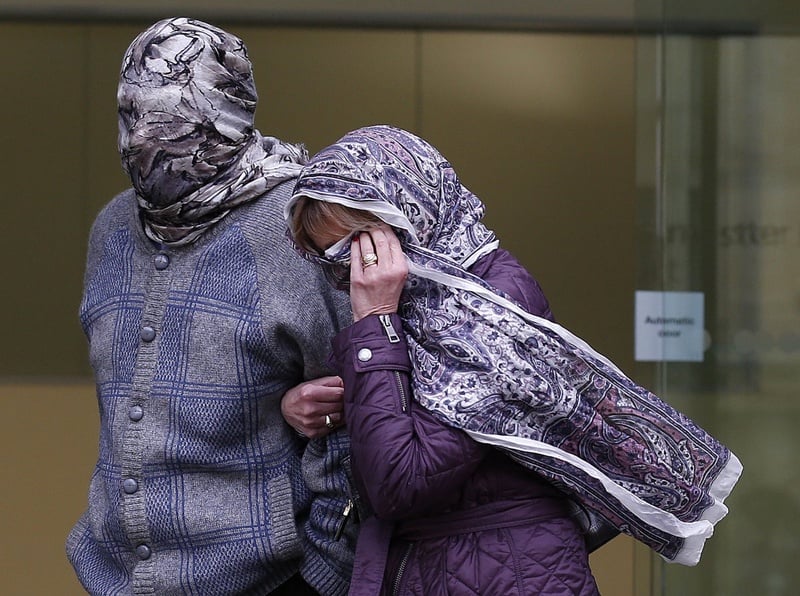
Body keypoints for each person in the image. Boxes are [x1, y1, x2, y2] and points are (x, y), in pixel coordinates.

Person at [285, 125, 743, 594]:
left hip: (506, 571)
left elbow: (402, 479)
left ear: (413, 215)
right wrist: (315, 403)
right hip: (448, 565)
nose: (348, 270)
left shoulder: (488, 305)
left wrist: (374, 324)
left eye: (360, 246)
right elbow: (396, 417)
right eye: (329, 256)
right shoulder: (412, 300)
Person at [67, 18, 357, 595]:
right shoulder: (111, 230)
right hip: (113, 581)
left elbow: (358, 423)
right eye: (129, 116)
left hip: (267, 582)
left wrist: (322, 577)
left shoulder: (299, 229)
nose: (137, 142)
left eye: (164, 124)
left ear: (222, 122)